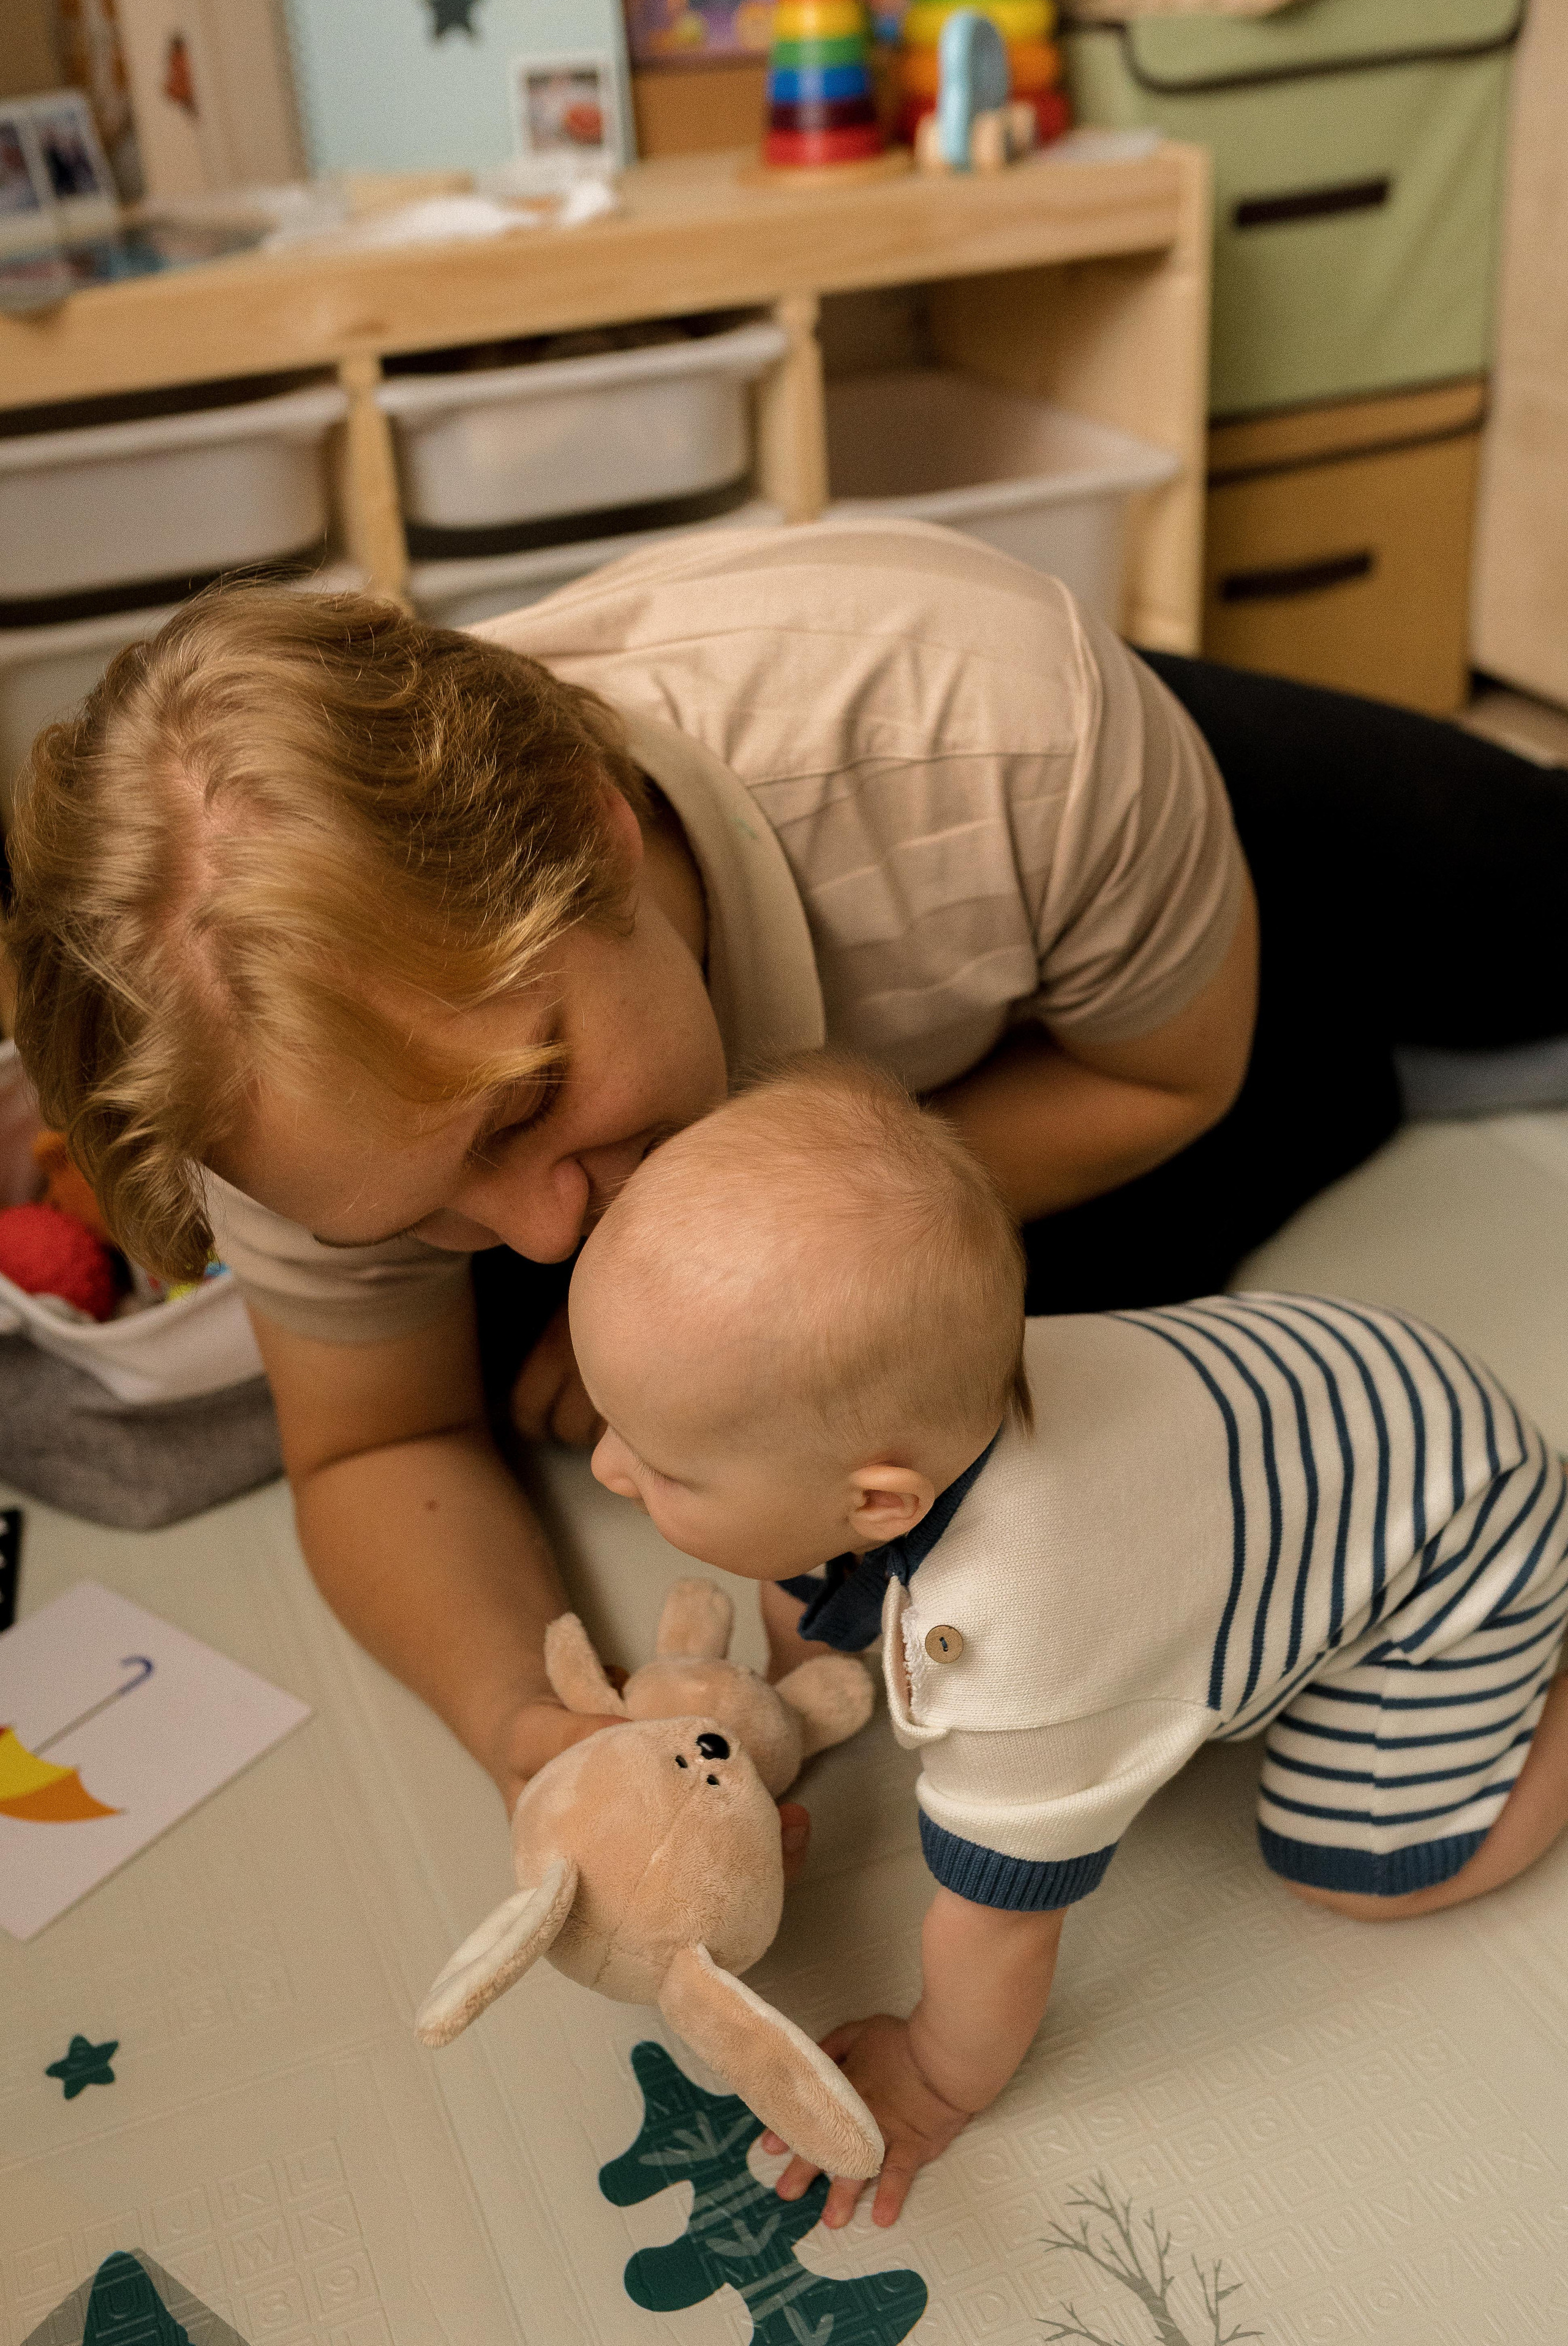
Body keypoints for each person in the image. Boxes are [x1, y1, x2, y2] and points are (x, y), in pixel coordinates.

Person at [7, 521, 1566, 1820]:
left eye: (525, 1105)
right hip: (992, 1047)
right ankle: (1351, 1081)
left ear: (598, 834)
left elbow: (1165, 1079)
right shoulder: (276, 1077)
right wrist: (526, 1733)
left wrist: (718, 1299)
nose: (551, 1231)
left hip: (1113, 906)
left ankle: (1349, 1058)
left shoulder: (996, 730)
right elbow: (367, 1449)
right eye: (423, 1218)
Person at [567, 1052, 1568, 2227]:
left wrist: (939, 2075)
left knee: (1365, 1868)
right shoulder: (910, 1401)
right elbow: (807, 1576)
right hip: (1341, 1394)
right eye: (612, 1422)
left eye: (665, 1466)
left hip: (1458, 1533)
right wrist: (796, 1691)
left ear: (880, 1505)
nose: (604, 1468)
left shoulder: (1021, 1651)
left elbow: (1005, 1924)